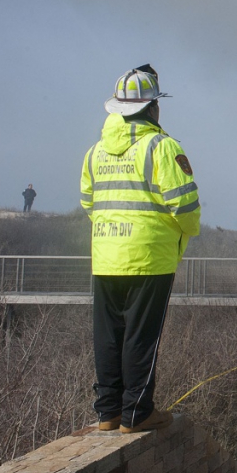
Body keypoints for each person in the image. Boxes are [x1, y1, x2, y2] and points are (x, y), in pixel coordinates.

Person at [80, 64, 200, 433]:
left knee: (108, 336)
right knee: (140, 338)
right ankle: (137, 413)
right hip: (149, 259)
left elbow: (88, 202)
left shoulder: (95, 151)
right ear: (153, 108)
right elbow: (186, 208)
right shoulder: (162, 147)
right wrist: (183, 235)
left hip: (106, 256)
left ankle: (108, 413)